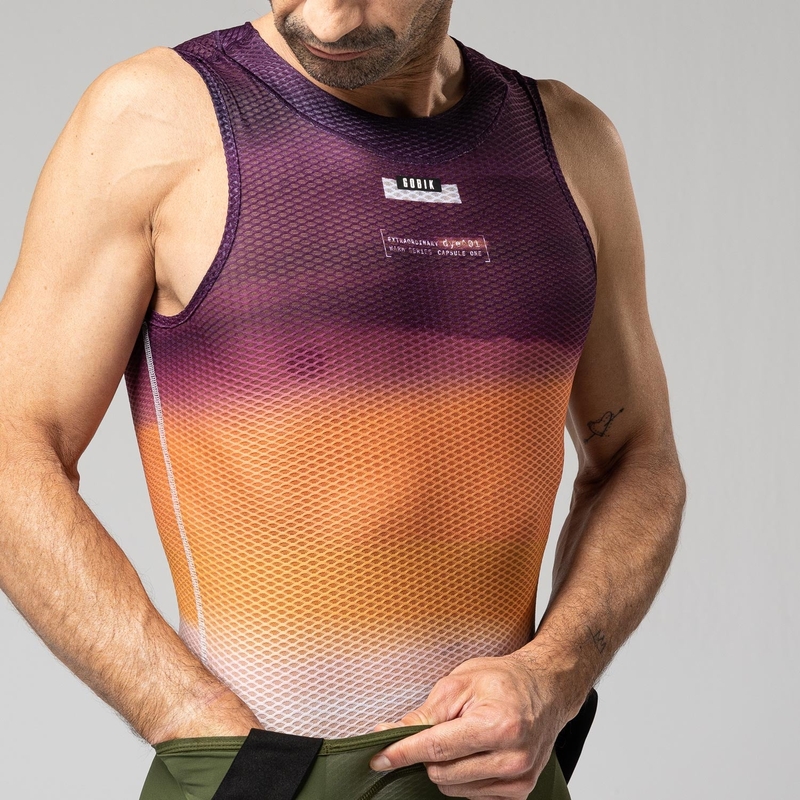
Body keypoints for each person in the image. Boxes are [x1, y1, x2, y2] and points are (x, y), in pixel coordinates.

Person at [0, 2, 686, 799]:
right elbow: (13, 445)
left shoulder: (568, 146)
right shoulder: (158, 119)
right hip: (260, 777)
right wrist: (184, 714)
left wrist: (553, 674)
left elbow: (640, 456)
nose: (327, 19)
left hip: (496, 780)